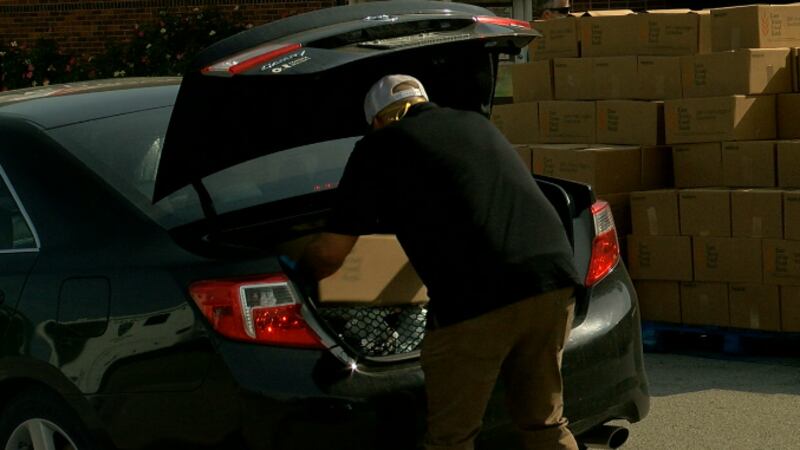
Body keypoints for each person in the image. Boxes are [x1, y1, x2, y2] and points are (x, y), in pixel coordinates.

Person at [299, 74, 581, 450]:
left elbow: (331, 255)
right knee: (543, 422)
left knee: (452, 438)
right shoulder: (476, 125)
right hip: (552, 280)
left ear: (379, 121)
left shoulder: (378, 147)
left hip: (475, 301)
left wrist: (297, 274)